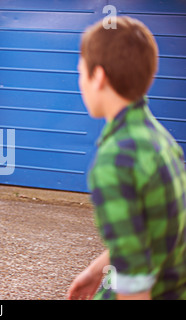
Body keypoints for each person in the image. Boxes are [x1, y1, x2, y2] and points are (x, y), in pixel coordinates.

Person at [67, 17, 186, 299]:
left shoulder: (115, 160)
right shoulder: (159, 138)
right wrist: (97, 270)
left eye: (81, 72)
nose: (80, 82)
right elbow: (153, 226)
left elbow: (135, 284)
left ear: (98, 77)